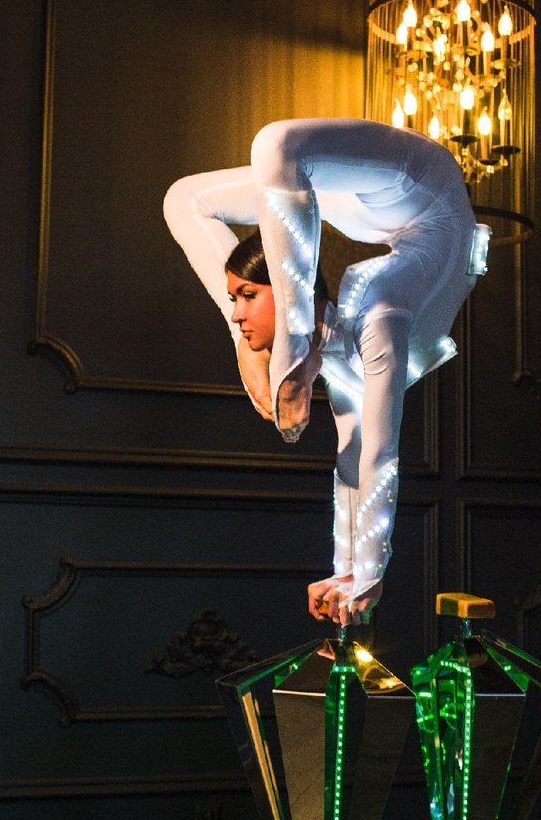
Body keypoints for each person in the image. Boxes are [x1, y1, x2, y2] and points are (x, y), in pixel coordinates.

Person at [163, 118, 489, 627]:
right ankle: (277, 351)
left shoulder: (378, 315)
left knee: (275, 145)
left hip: (426, 194)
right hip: (385, 213)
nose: (238, 312)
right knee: (183, 200)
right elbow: (353, 461)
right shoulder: (347, 351)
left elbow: (382, 456)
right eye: (233, 301)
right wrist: (347, 575)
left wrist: (372, 572)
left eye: (247, 296)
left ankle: (292, 350)